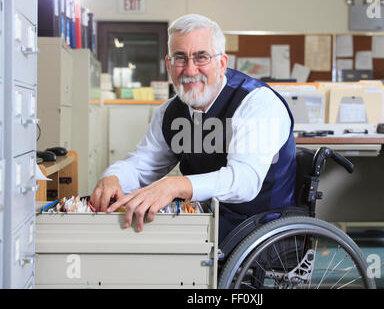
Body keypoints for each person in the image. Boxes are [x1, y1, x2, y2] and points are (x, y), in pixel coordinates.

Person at [90, 14, 297, 243]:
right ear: (169, 65)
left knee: (154, 239)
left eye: (202, 57)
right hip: (205, 218)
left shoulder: (257, 102)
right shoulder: (170, 112)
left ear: (222, 63)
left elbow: (244, 181)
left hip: (260, 229)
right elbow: (141, 167)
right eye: (180, 58)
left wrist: (176, 185)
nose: (189, 70)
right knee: (127, 227)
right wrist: (113, 178)